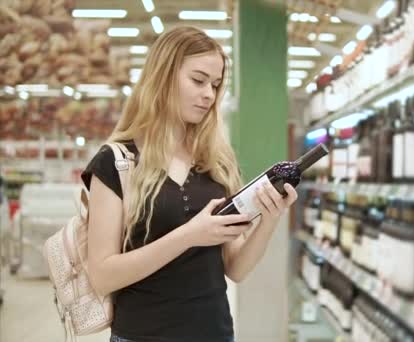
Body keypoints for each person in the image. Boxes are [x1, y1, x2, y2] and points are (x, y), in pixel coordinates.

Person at [81, 26, 298, 342]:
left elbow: (235, 268)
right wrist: (189, 235)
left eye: (215, 84)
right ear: (164, 76)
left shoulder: (216, 163)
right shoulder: (116, 162)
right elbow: (102, 276)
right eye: (198, 80)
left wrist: (270, 217)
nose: (209, 94)